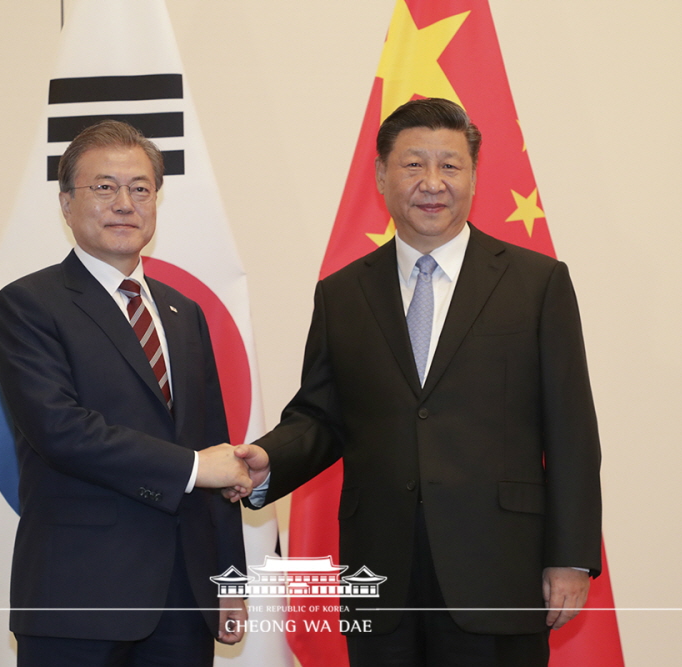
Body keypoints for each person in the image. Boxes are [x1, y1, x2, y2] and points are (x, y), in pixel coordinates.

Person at [230, 98, 602, 666]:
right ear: (382, 175)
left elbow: (572, 431)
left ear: (474, 175)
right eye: (413, 165)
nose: (433, 183)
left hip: (498, 570)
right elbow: (321, 416)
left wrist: (571, 557)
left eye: (450, 166)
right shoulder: (343, 293)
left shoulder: (537, 284)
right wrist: (266, 459)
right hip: (380, 576)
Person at [0, 120, 251, 667]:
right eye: (103, 187)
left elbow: (216, 450)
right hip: (78, 595)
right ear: (66, 203)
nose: (125, 203)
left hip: (184, 599)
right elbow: (60, 430)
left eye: (140, 188)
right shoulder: (28, 305)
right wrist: (191, 468)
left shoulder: (185, 313)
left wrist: (229, 579)